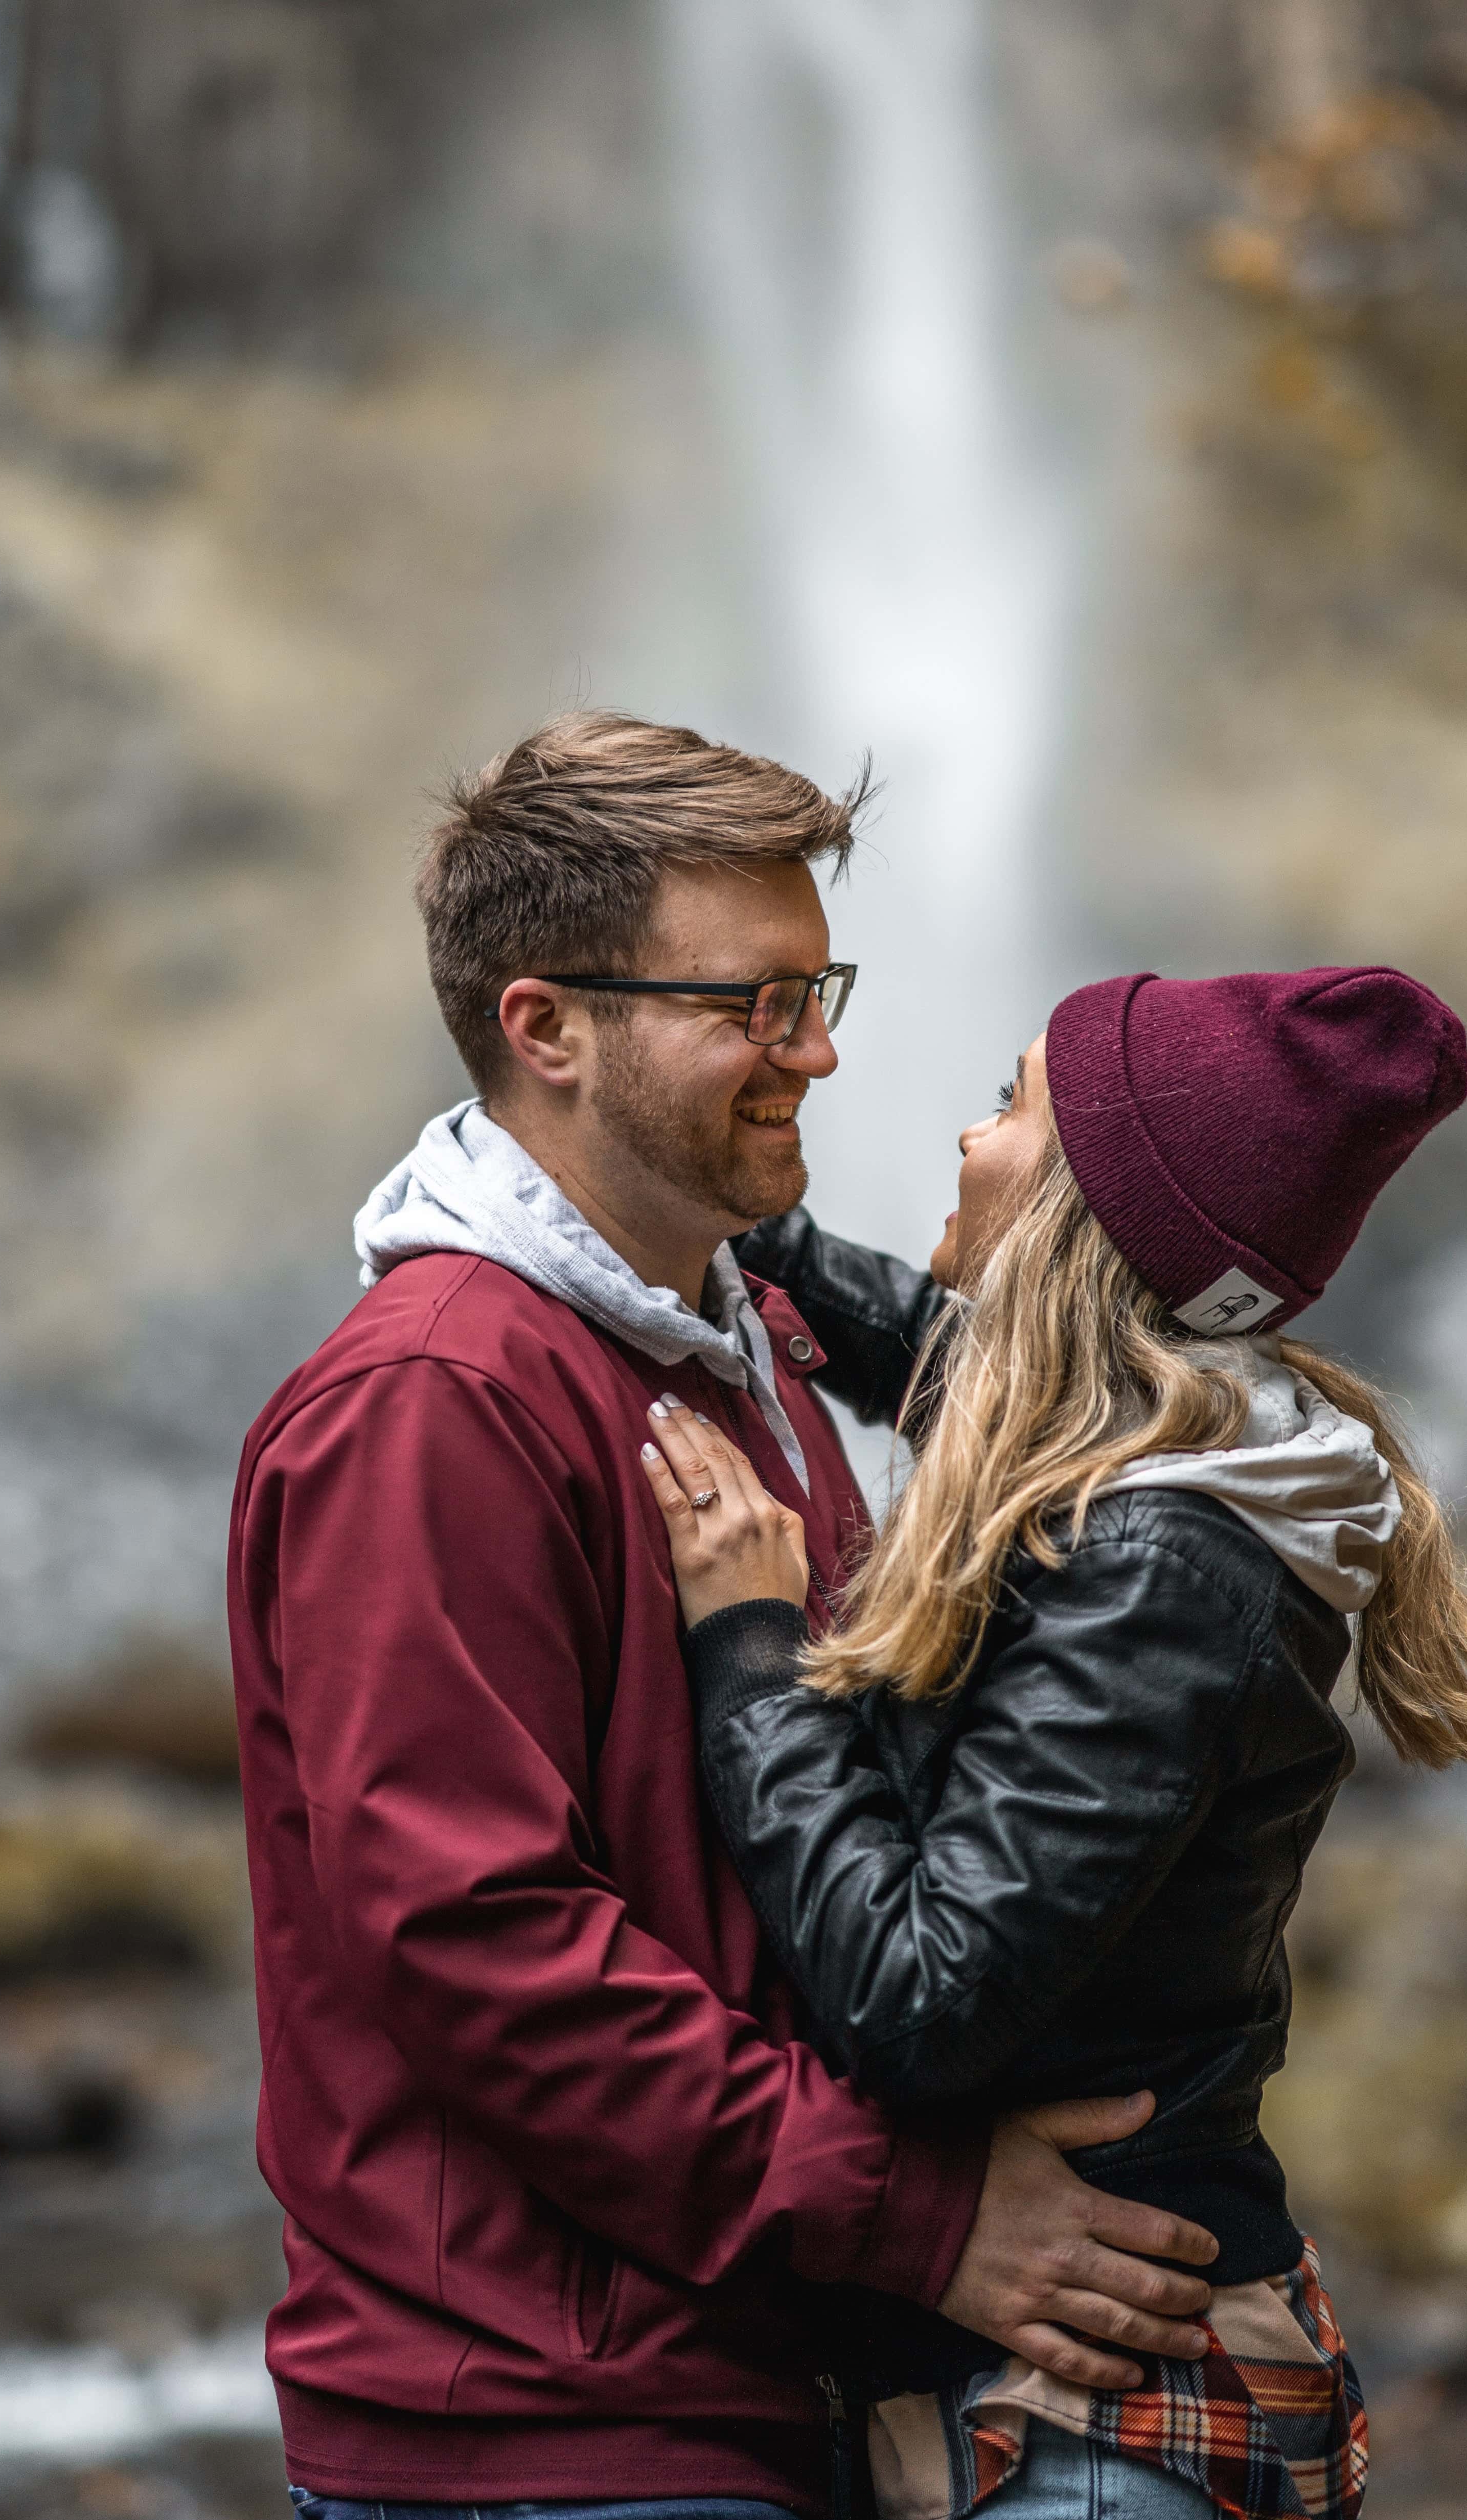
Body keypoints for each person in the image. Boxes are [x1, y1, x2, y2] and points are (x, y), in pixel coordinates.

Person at [226, 715, 1222, 2520]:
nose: (822, 1052)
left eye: (817, 987)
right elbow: (484, 1946)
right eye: (756, 1005)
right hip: (541, 2436)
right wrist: (917, 2214)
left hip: (735, 2379)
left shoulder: (723, 1340)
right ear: (545, 1026)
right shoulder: (439, 1398)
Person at [637, 966, 1467, 2520]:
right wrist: (672, 1173)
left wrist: (755, 1646)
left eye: (1009, 1101)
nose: (967, 1136)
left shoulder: (1169, 1569)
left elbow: (918, 1996)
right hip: (1065, 2382)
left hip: (1105, 2421)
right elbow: (929, 1344)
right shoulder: (1158, 1446)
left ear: (1082, 1211)